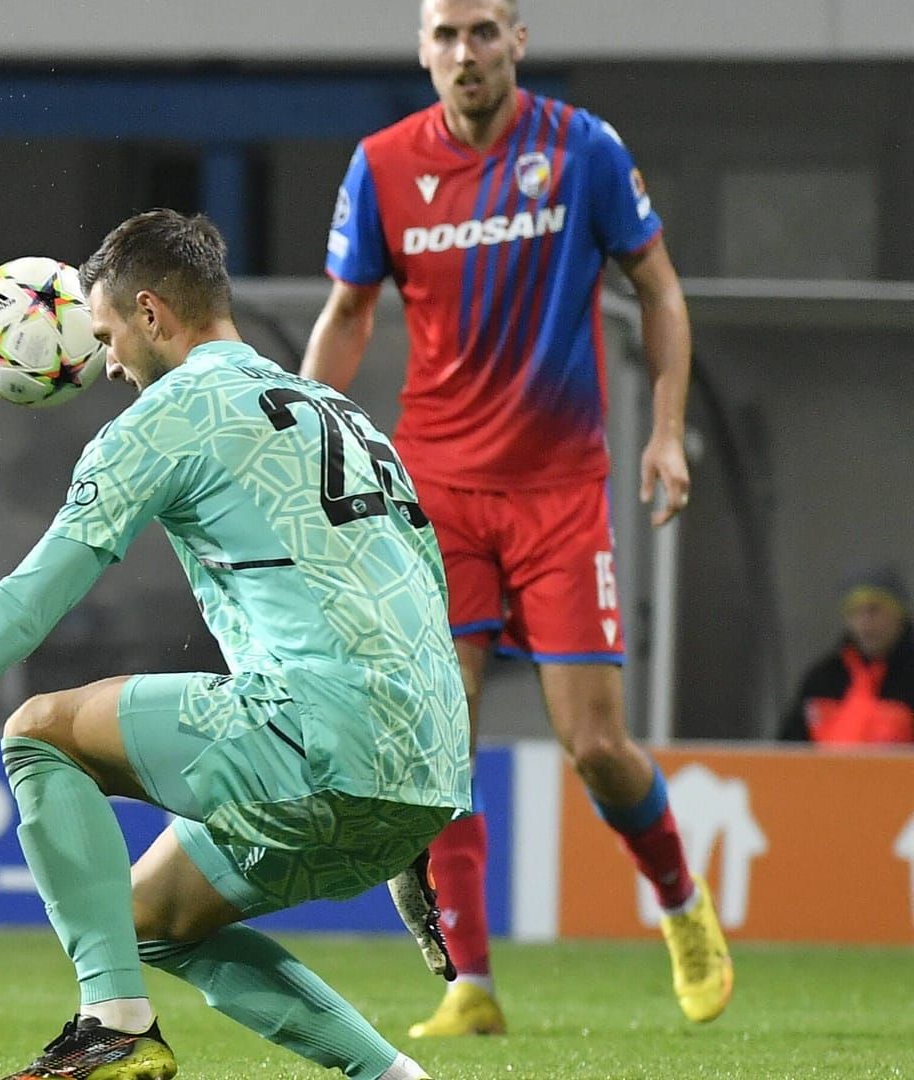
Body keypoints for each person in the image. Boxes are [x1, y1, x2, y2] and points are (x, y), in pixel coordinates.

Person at [0, 210, 465, 1080]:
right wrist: (410, 839)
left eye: (104, 336)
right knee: (139, 922)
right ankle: (399, 1079)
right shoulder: (346, 418)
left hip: (317, 732)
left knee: (39, 731)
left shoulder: (172, 413)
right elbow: (419, 606)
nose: (107, 365)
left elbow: (29, 601)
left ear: (150, 312)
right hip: (429, 772)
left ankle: (113, 1025)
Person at [298, 0, 730, 1038]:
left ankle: (681, 904)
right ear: (421, 50)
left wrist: (667, 432)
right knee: (442, 739)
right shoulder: (383, 165)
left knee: (595, 745)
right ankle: (470, 984)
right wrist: (295, 442)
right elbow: (350, 315)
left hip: (559, 491)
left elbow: (661, 293)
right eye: (445, 34)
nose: (464, 52)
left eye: (484, 30)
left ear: (518, 44)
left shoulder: (580, 149)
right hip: (437, 494)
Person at [782, 566, 914, 746]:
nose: (865, 622)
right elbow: (788, 748)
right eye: (855, 611)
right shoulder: (823, 678)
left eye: (875, 610)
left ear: (900, 614)